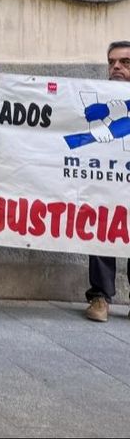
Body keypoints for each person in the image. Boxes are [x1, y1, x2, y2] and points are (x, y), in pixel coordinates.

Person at [85, 40, 130, 322]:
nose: (116, 67)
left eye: (125, 63)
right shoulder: (96, 97)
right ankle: (100, 297)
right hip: (108, 179)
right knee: (103, 233)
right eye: (112, 62)